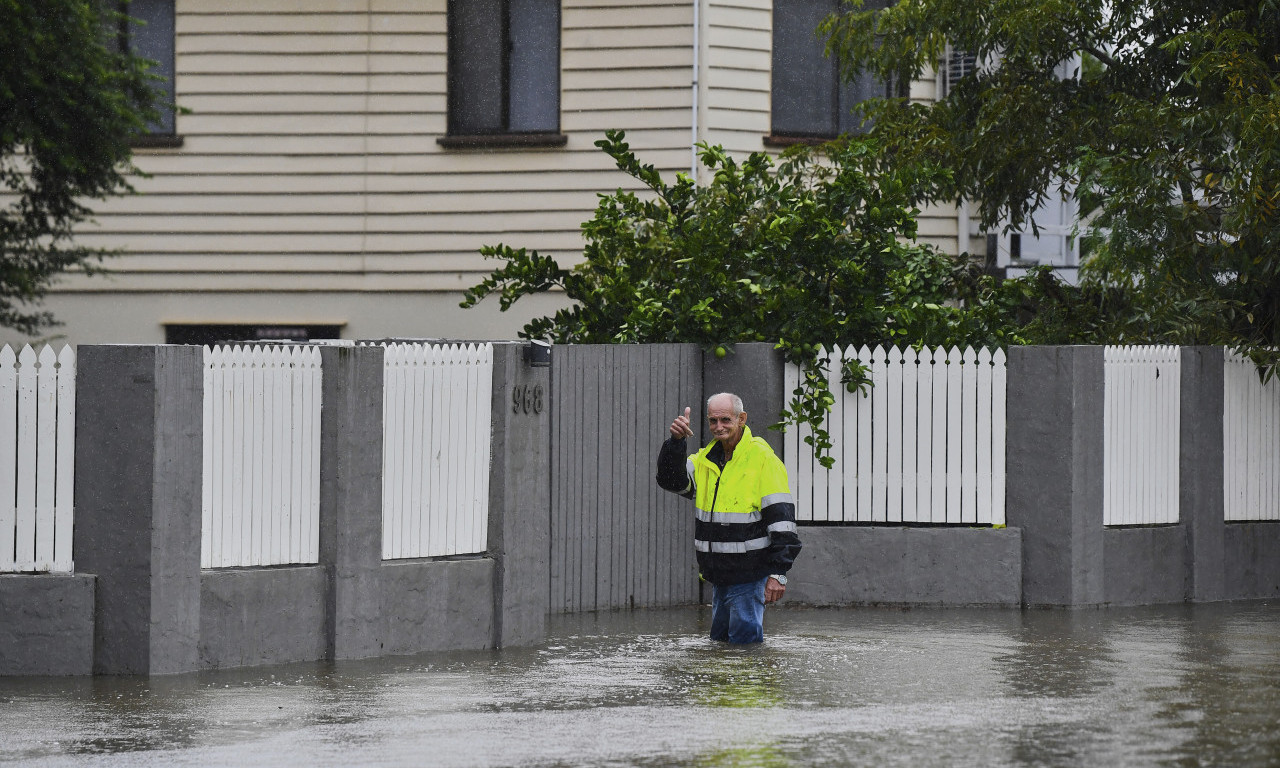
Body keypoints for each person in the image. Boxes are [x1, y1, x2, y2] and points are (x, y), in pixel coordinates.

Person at [655, 392, 802, 643]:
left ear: (742, 419)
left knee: (743, 649)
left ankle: (750, 683)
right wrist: (676, 442)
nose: (718, 427)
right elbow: (670, 480)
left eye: (725, 420)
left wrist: (779, 572)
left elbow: (782, 520)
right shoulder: (706, 459)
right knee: (721, 646)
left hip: (749, 574)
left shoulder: (762, 459)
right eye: (713, 421)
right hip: (719, 573)